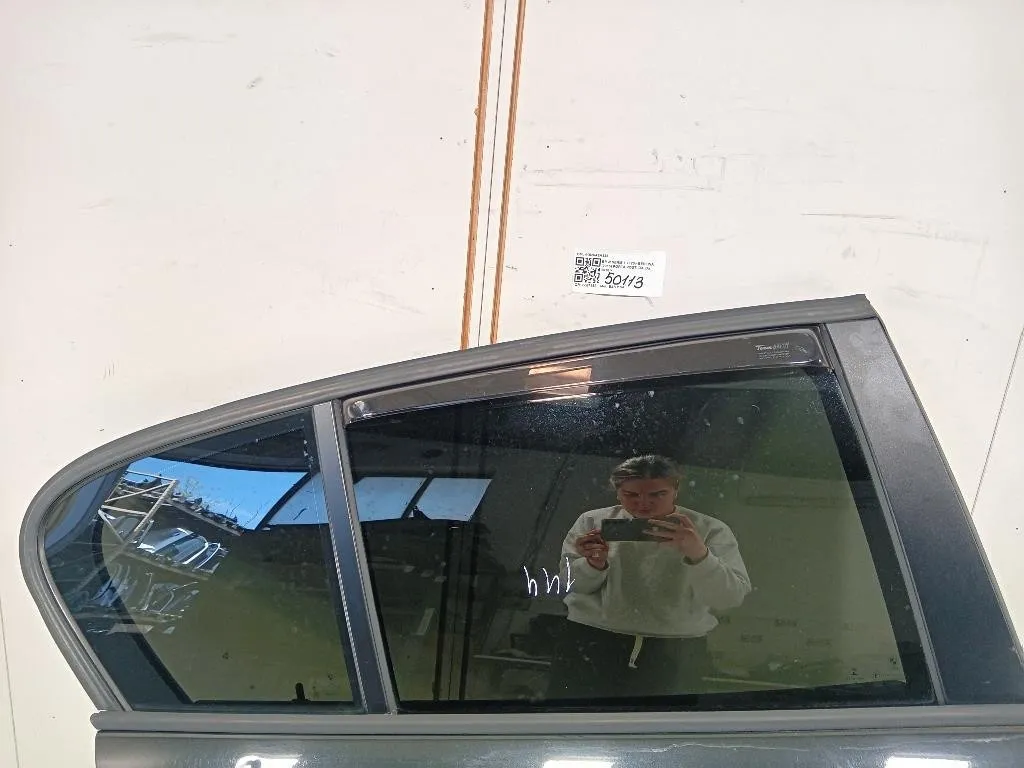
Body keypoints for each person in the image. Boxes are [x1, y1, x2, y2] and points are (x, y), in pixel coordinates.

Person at [547, 454, 750, 701]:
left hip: (675, 649)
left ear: (676, 490)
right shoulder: (592, 522)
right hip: (591, 639)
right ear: (617, 492)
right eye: (631, 495)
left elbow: (730, 598)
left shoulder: (710, 530)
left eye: (657, 494)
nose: (644, 504)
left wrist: (699, 554)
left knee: (667, 723)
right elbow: (568, 585)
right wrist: (593, 564)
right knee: (575, 719)